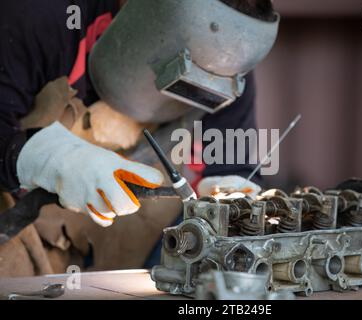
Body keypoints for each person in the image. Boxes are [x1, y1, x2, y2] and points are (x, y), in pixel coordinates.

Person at [0, 0, 279, 274]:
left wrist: (235, 195)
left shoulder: (228, 61)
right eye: (188, 64)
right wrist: (47, 158)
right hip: (19, 234)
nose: (204, 80)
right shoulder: (42, 15)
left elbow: (235, 171)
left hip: (125, 260)